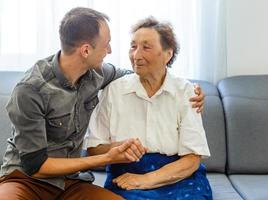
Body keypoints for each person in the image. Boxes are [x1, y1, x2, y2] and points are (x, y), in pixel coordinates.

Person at [0, 7, 204, 200]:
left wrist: (186, 89)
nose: (110, 49)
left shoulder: (97, 73)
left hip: (69, 183)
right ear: (86, 51)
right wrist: (107, 157)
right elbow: (35, 165)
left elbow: (141, 73)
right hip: (26, 180)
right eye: (106, 43)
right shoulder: (31, 89)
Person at [85, 17, 212, 200]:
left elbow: (192, 159)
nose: (136, 55)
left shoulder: (186, 92)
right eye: (133, 46)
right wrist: (119, 148)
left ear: (168, 54)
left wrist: (145, 180)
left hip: (178, 175)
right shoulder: (113, 90)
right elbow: (94, 149)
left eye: (146, 47)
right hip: (125, 174)